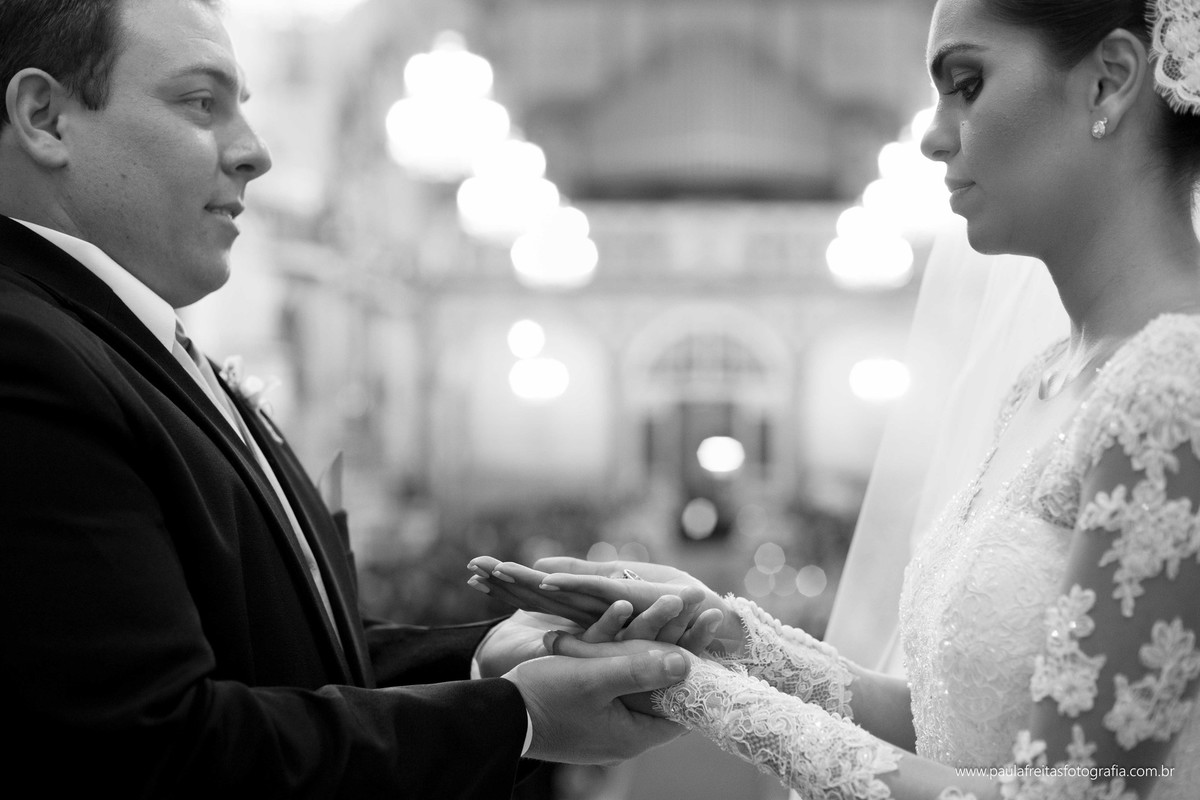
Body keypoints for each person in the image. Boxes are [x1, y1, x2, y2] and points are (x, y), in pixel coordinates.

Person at [469, 0, 1200, 797]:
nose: (930, 136)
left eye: (968, 82)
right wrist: (725, 634)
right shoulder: (1045, 378)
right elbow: (962, 724)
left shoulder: (1173, 381)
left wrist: (683, 684)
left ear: (1109, 81)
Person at [0, 0, 696, 796]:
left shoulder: (119, 339)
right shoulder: (25, 353)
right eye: (201, 102)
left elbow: (287, 645)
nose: (255, 153)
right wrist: (516, 718)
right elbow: (151, 751)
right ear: (44, 116)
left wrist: (493, 656)